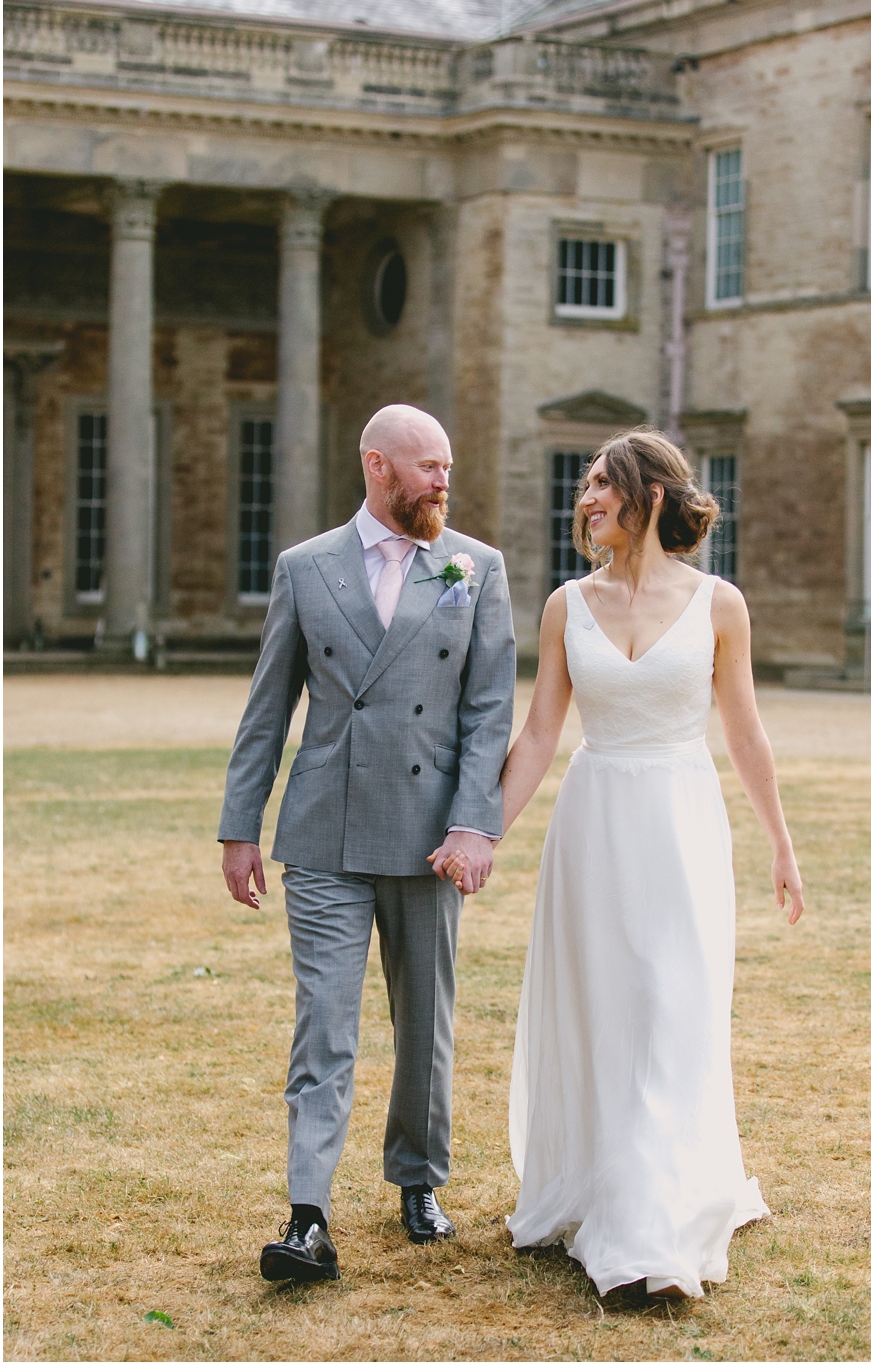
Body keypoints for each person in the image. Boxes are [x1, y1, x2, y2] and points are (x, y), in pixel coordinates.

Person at [446, 428, 803, 1301]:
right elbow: (538, 736)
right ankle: (609, 1191)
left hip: (682, 823)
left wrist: (781, 843)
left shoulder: (720, 604)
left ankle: (652, 1232)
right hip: (595, 824)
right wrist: (479, 830)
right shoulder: (568, 605)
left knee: (671, 1007)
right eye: (583, 487)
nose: (586, 499)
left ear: (648, 495)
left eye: (602, 484)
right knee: (610, 1010)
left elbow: (746, 733)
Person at [219, 404, 515, 1284]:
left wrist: (474, 823)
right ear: (377, 465)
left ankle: (418, 1180)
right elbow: (268, 706)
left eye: (448, 469)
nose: (442, 482)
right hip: (325, 833)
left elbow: (489, 710)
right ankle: (307, 1215)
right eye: (427, 467)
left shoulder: (475, 567)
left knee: (425, 1023)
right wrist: (240, 828)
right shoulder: (305, 568)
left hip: (433, 839)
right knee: (324, 1026)